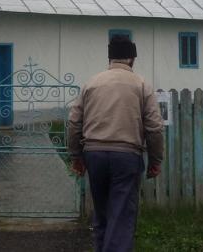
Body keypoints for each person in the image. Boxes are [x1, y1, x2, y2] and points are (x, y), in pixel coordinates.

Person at [68, 34, 164, 252]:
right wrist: (155, 160)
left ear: (110, 58)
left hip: (94, 155)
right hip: (126, 156)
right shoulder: (141, 85)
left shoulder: (91, 83)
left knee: (101, 213)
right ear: (132, 59)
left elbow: (74, 123)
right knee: (121, 216)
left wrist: (76, 157)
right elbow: (154, 128)